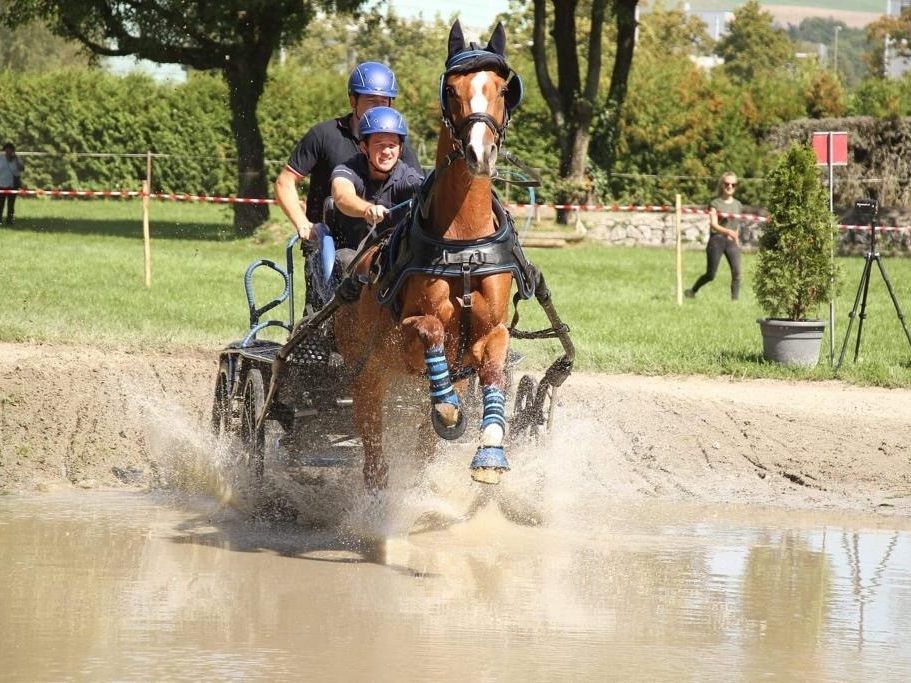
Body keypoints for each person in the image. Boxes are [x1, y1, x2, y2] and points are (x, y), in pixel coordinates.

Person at [274, 61, 421, 245]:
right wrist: (302, 223)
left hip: (385, 249)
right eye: (371, 100)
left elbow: (420, 192)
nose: (377, 108)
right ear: (353, 100)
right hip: (330, 245)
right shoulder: (323, 135)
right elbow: (284, 182)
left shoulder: (397, 143)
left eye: (383, 102)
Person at [330, 106, 422, 254]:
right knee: (345, 258)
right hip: (348, 253)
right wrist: (367, 210)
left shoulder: (408, 177)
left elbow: (430, 193)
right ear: (364, 147)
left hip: (392, 255)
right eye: (379, 145)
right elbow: (342, 196)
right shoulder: (346, 170)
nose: (386, 152)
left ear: (401, 149)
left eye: (392, 145)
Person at [685, 171, 742, 301]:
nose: (730, 187)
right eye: (727, 184)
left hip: (732, 241)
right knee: (711, 275)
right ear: (722, 185)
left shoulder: (738, 205)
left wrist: (736, 238)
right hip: (717, 240)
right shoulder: (715, 203)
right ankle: (692, 291)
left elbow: (736, 225)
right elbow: (714, 224)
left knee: (737, 273)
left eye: (733, 184)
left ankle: (735, 302)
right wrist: (728, 232)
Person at [0, 142, 25, 225]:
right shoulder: (1, 158)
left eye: (10, 149)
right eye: (6, 149)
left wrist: (17, 159)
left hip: (13, 184)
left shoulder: (17, 159)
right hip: (1, 184)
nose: (8, 151)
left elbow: (22, 168)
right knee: (0, 204)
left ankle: (9, 220)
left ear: (13, 150)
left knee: (11, 204)